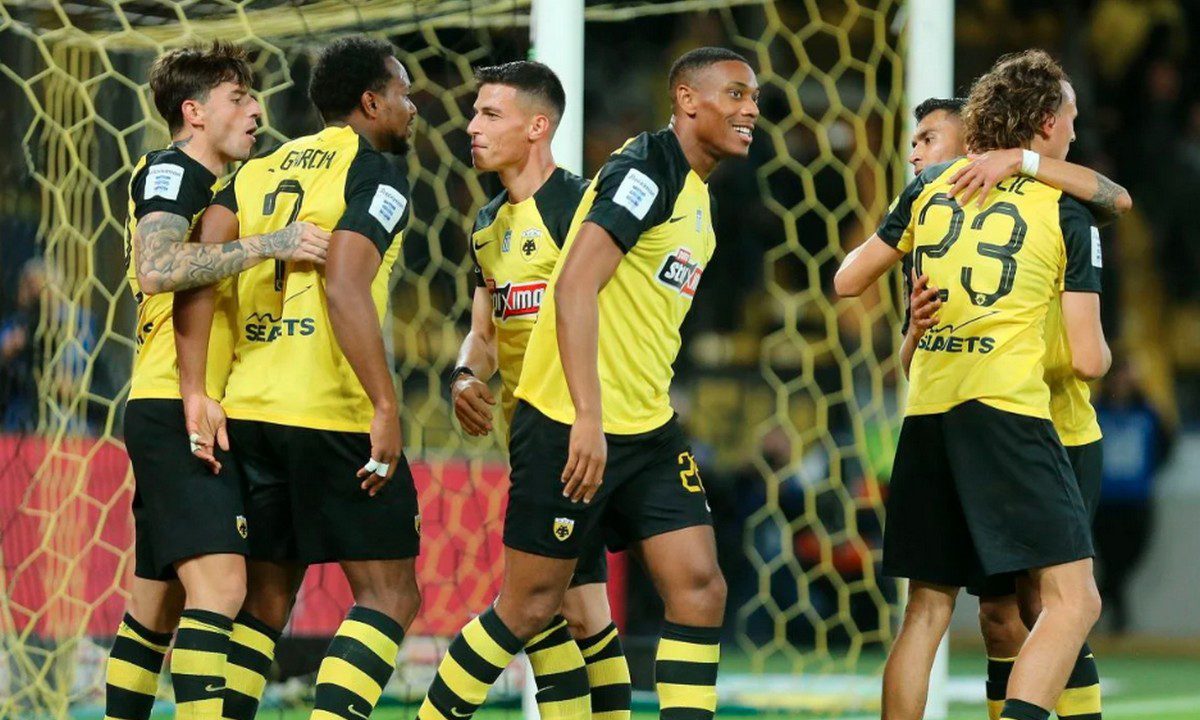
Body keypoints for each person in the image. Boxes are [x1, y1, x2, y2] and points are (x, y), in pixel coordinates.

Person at [418, 46, 759, 720]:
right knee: (535, 609)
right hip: (568, 423)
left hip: (644, 426)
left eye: (753, 98)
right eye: (736, 94)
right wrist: (580, 413)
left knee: (699, 587)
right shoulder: (643, 171)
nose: (751, 110)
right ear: (687, 100)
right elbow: (569, 289)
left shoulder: (690, 199)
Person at [835, 50, 1110, 720]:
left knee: (931, 611)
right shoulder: (1065, 209)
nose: (1075, 130)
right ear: (1048, 123)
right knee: (1070, 602)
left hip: (930, 414)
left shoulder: (927, 193)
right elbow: (1089, 358)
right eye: (1071, 118)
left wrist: (915, 327)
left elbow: (847, 280)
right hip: (1016, 416)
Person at [175, 35, 419, 720]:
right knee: (391, 596)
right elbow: (344, 283)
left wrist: (197, 391)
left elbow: (195, 274)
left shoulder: (256, 171)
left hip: (250, 413)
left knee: (266, 601)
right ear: (370, 102)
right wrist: (384, 405)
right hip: (329, 411)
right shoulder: (374, 174)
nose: (412, 107)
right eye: (403, 93)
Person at [104, 41, 329, 720]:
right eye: (238, 98)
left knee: (156, 607)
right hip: (175, 402)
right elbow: (157, 268)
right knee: (224, 589)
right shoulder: (172, 171)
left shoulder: (221, 189)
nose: (256, 111)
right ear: (194, 112)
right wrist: (271, 244)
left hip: (175, 402)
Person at [903, 94, 1132, 720]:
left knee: (1049, 604)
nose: (918, 154)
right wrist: (913, 334)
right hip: (990, 428)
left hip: (1058, 430)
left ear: (975, 145)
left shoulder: (1057, 206)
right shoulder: (935, 220)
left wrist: (1024, 162)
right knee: (1002, 615)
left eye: (930, 139)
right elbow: (912, 359)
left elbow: (1115, 199)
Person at [450, 60, 631, 718]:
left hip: (573, 432)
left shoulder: (583, 209)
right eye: (474, 113)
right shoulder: (486, 225)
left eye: (489, 114)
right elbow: (484, 334)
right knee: (577, 612)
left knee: (531, 607)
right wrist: (465, 374)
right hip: (527, 437)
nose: (472, 127)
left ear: (537, 126)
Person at [1093, 358, 1171, 634]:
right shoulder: (1095, 412)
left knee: (1129, 557)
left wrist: (1145, 474)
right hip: (1104, 500)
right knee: (1109, 558)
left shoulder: (1148, 413)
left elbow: (1165, 446)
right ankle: (1117, 620)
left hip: (1137, 500)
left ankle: (1094, 607)